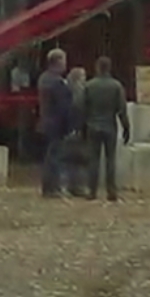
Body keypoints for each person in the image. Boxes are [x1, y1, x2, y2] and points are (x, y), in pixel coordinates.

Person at [83, 56, 131, 202]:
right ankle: (111, 191)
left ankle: (92, 191)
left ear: (97, 67)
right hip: (110, 125)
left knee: (93, 159)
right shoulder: (116, 86)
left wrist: (82, 126)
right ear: (109, 68)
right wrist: (126, 127)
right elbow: (122, 109)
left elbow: (82, 107)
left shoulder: (89, 86)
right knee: (110, 160)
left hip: (92, 125)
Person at [37, 48, 75, 198]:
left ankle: (48, 187)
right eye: (64, 60)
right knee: (55, 157)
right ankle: (53, 189)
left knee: (48, 156)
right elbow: (63, 106)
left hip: (45, 120)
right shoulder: (57, 82)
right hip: (56, 123)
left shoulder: (43, 78)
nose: (66, 64)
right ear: (58, 62)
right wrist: (69, 125)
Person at [65, 66, 90, 196]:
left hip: (68, 128)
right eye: (83, 76)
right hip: (78, 127)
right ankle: (79, 187)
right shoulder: (80, 92)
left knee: (71, 160)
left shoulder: (66, 89)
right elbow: (80, 109)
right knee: (80, 158)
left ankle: (71, 185)